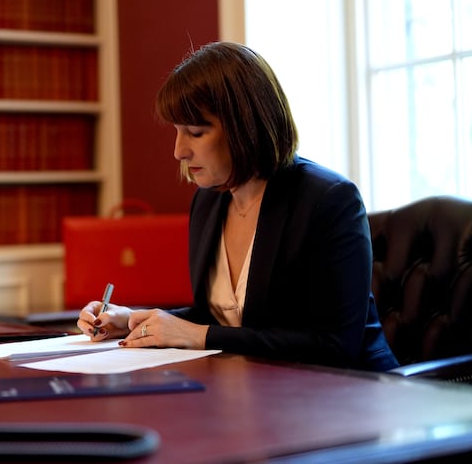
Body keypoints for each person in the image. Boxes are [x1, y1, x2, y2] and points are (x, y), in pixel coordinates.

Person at [77, 41, 399, 371]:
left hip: (352, 394)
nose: (178, 151)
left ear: (246, 126)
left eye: (195, 132)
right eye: (177, 131)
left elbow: (333, 346)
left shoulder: (329, 200)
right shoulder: (208, 202)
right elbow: (218, 319)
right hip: (263, 389)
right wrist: (134, 321)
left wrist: (200, 336)